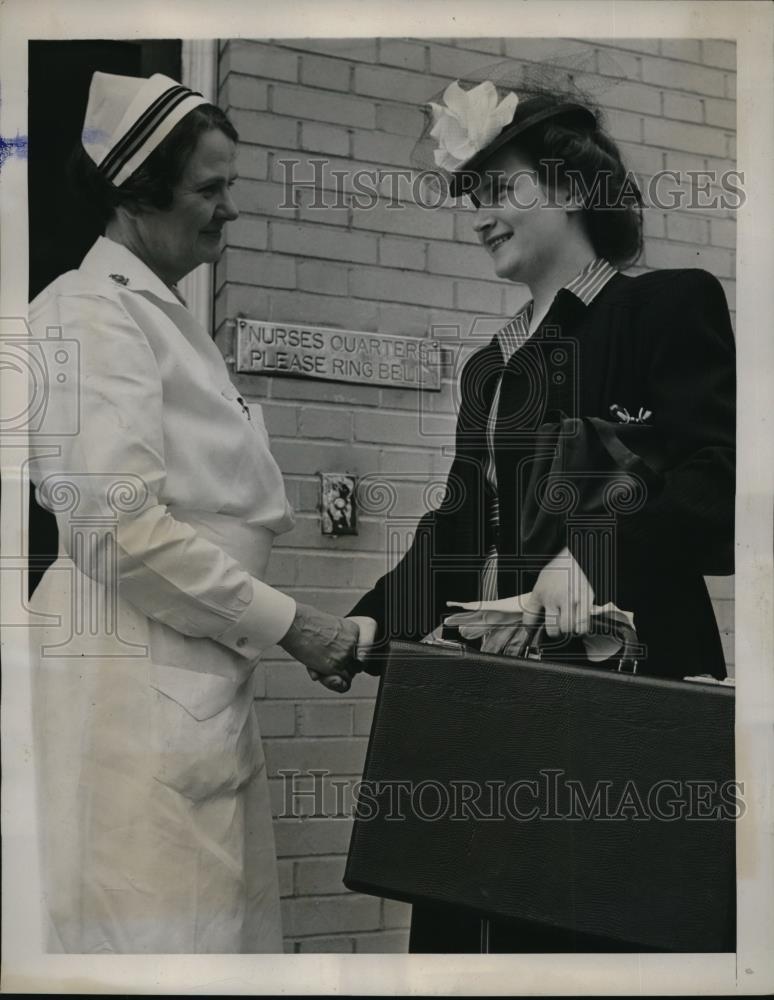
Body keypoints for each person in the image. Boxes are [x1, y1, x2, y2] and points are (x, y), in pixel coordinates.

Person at [347, 75, 736, 952]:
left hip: (623, 711)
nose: (480, 215)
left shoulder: (665, 308)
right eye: (471, 197)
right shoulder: (490, 366)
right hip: (490, 711)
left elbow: (717, 491)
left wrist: (594, 552)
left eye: (499, 189)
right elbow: (457, 531)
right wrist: (365, 630)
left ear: (565, 185)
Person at [27, 71, 359, 954]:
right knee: (153, 942)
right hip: (128, 689)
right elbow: (115, 526)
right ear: (139, 193)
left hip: (188, 675)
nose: (228, 211)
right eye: (210, 189)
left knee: (210, 939)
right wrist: (295, 626)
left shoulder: (168, 321)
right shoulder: (92, 313)